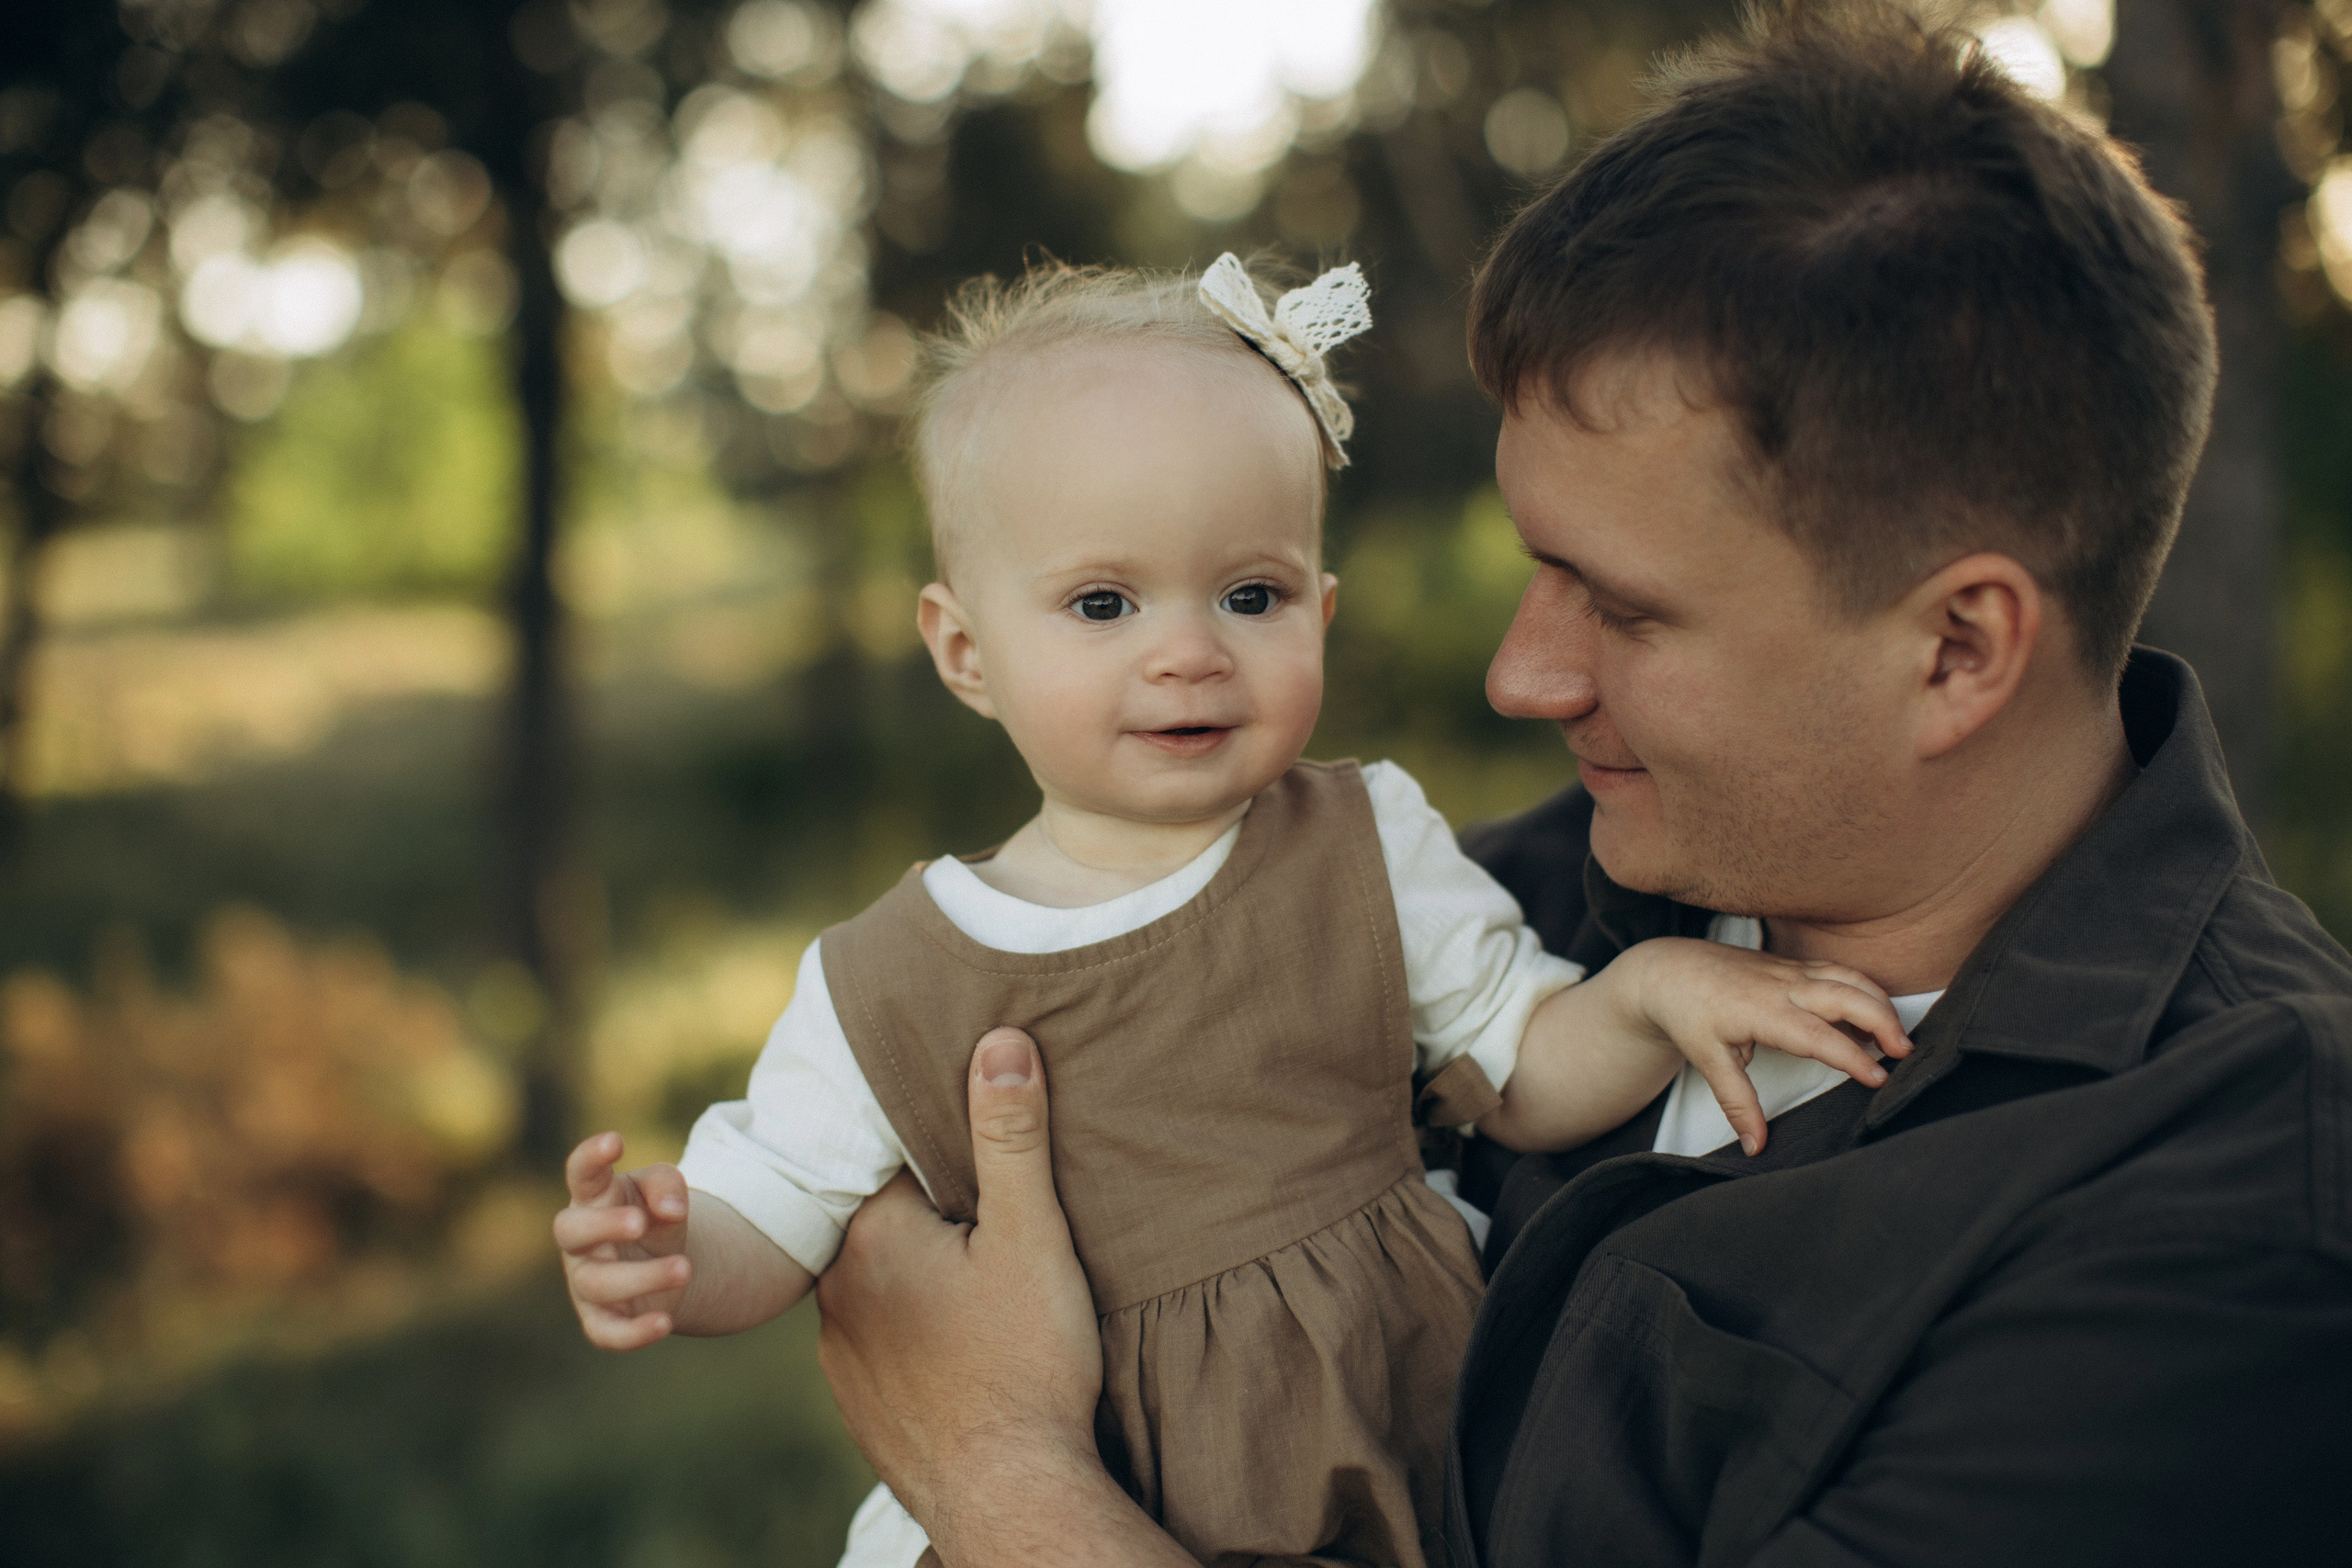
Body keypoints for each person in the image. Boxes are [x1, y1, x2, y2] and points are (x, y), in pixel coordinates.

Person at [806, 6, 2352, 1566]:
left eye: (1619, 605)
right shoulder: (1522, 892)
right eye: (1533, 567)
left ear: (1957, 649)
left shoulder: (2233, 1214)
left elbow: (992, 1409)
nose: (1521, 676)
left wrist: (995, 1470)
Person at [551, 256, 1912, 1567]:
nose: (1189, 650)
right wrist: (673, 1254)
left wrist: (1650, 994)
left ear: (1319, 610)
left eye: (1249, 595)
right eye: (1103, 602)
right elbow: (781, 1212)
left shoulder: (1360, 843)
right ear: (966, 650)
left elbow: (1523, 1068)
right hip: (1082, 1487)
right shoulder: (891, 980)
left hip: (1384, 1441)